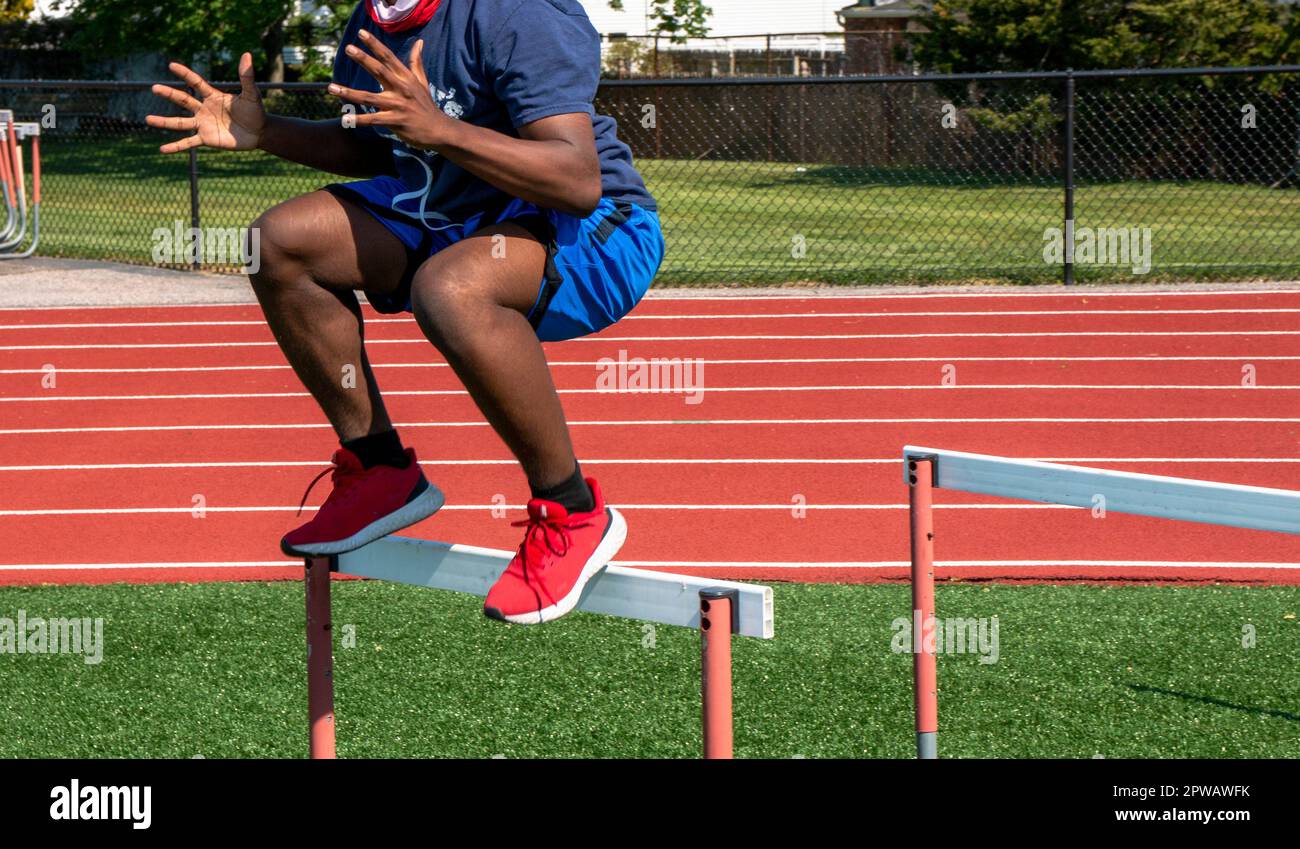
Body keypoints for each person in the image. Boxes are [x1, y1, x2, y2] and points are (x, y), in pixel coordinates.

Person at [146, 0, 664, 625]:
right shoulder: (373, 18)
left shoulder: (519, 11)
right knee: (279, 241)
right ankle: (381, 470)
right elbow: (379, 148)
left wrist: (443, 129)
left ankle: (572, 509)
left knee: (449, 290)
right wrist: (268, 132)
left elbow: (575, 180)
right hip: (453, 207)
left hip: (596, 229)